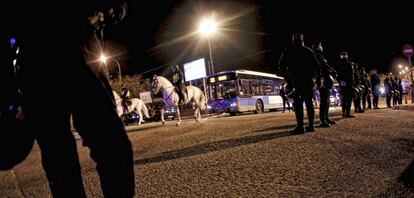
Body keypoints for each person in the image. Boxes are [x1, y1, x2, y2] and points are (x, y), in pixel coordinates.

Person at [1, 1, 135, 197]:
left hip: (80, 52)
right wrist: (8, 94)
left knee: (111, 144)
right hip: (36, 64)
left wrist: (107, 12)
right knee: (59, 158)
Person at [279, 33, 320, 134]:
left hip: (296, 81)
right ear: (302, 40)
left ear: (293, 40)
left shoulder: (289, 51)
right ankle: (311, 125)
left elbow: (281, 66)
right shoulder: (309, 51)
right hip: (308, 81)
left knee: (298, 104)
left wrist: (288, 79)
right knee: (309, 103)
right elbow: (317, 67)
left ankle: (300, 126)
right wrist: (314, 79)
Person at [312, 41, 337, 127]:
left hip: (326, 80)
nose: (321, 47)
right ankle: (322, 120)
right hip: (322, 80)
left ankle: (326, 118)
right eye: (319, 46)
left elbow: (327, 67)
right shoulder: (315, 57)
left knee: (327, 100)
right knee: (323, 101)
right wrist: (320, 79)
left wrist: (333, 71)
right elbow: (317, 69)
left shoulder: (321, 57)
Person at [336, 51, 355, 118]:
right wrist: (352, 83)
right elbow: (351, 75)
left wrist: (340, 81)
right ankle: (347, 113)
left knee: (344, 98)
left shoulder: (339, 64)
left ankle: (344, 113)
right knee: (348, 98)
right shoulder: (349, 64)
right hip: (348, 83)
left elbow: (337, 75)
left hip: (342, 83)